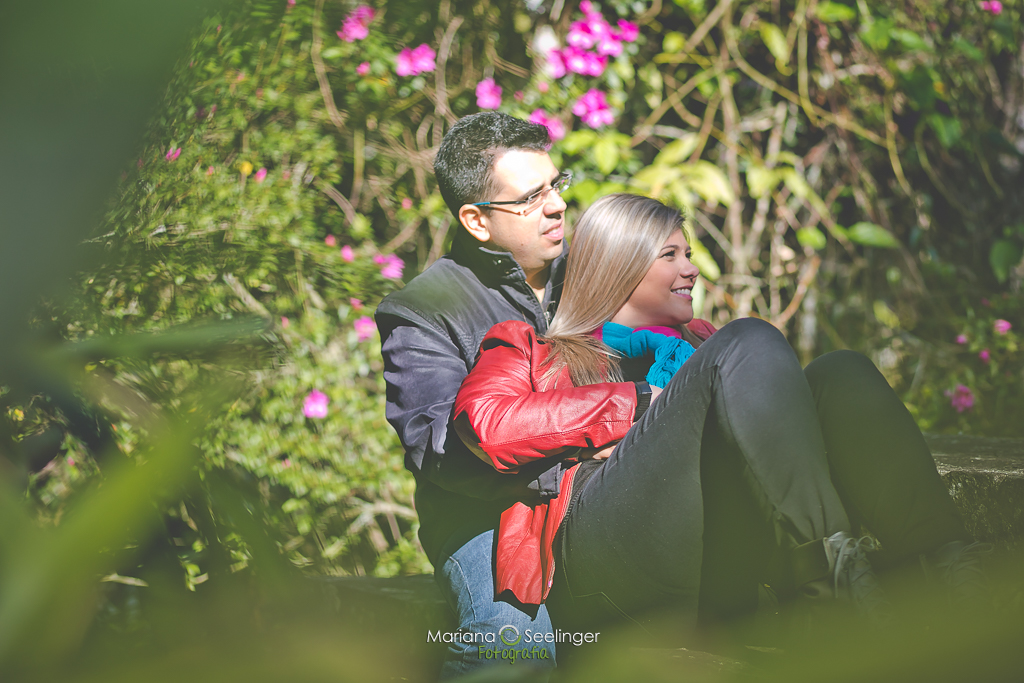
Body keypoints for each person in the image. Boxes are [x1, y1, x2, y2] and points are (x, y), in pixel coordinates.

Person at [453, 193, 987, 642]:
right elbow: (487, 425)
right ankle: (834, 591)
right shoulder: (532, 348)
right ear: (619, 267)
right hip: (606, 565)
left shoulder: (705, 347)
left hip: (714, 559)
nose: (691, 269)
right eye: (671, 255)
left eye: (688, 253)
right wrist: (640, 399)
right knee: (750, 337)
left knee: (842, 374)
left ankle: (950, 575)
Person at [375, 112, 573, 678]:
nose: (557, 205)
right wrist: (572, 459)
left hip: (597, 502)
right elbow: (439, 452)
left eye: (556, 185)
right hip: (484, 522)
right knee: (513, 646)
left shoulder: (591, 275)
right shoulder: (423, 309)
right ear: (476, 220)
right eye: (532, 197)